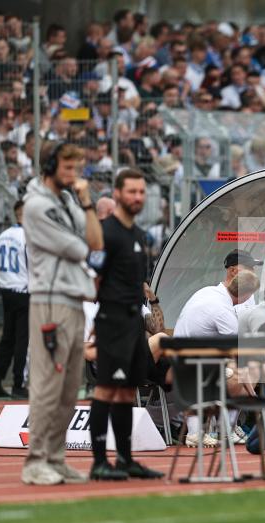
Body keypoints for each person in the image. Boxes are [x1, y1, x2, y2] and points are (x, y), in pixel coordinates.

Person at [21, 143, 103, 486]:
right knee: (47, 384)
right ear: (51, 166)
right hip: (50, 300)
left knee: (69, 388)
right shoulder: (36, 205)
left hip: (72, 298)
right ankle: (35, 460)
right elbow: (80, 247)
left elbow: (95, 241)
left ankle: (55, 458)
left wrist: (86, 202)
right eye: (68, 168)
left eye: (79, 168)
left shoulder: (70, 201)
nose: (75, 175)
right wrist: (87, 234)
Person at [88, 168, 163, 481]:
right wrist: (99, 320)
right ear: (117, 193)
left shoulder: (140, 236)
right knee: (107, 390)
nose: (137, 197)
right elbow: (94, 279)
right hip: (113, 322)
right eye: (131, 191)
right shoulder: (106, 232)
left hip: (133, 322)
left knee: (126, 391)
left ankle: (126, 459)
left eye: (141, 192)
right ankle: (98, 462)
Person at [172, 250, 261, 447]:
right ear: (234, 272)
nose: (253, 273)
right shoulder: (221, 307)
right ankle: (223, 429)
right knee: (253, 367)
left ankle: (219, 429)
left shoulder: (209, 293)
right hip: (190, 369)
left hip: (187, 362)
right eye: (249, 270)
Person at [0, 199, 30, 399]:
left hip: (6, 290)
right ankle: (18, 384)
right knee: (23, 339)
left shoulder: (2, 236)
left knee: (7, 337)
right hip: (23, 290)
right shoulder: (28, 237)